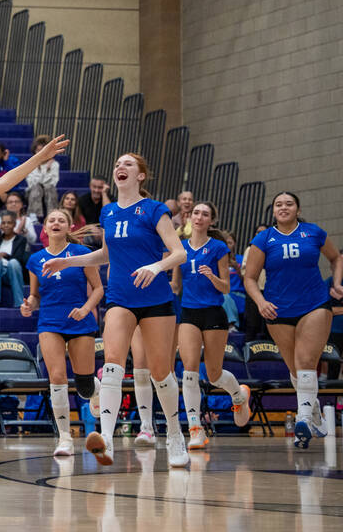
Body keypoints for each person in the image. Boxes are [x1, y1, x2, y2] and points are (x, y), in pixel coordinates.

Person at [42, 153, 189, 469]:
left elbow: (179, 253)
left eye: (128, 165)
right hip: (121, 297)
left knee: (161, 371)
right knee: (111, 364)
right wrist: (67, 261)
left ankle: (175, 434)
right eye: (117, 164)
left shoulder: (154, 210)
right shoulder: (107, 212)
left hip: (156, 300)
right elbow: (105, 255)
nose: (120, 168)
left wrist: (156, 265)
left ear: (141, 176)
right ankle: (105, 438)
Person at [244, 191, 343, 448]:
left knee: (307, 361)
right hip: (278, 310)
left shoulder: (313, 232)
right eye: (279, 204)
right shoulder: (263, 239)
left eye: (289, 204)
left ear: (297, 210)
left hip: (314, 304)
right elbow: (250, 278)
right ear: (274, 211)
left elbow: (335, 258)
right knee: (295, 369)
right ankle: (315, 410)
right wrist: (261, 302)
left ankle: (303, 419)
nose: (284, 207)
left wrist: (338, 283)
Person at [20, 208, 104, 457]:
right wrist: (28, 305)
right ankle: (65, 437)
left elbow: (98, 289)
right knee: (56, 377)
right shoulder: (35, 259)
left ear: (69, 228)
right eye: (51, 220)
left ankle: (96, 390)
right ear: (44, 229)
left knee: (84, 387)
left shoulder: (82, 253)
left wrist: (86, 308)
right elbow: (35, 296)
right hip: (50, 323)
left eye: (61, 220)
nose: (56, 223)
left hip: (80, 321)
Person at [172, 201, 252, 450]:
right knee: (189, 370)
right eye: (196, 212)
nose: (199, 217)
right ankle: (195, 429)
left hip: (214, 314)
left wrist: (212, 276)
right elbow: (175, 286)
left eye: (205, 214)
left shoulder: (217, 247)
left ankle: (239, 395)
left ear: (211, 221)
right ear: (189, 218)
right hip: (189, 313)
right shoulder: (180, 248)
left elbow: (226, 287)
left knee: (214, 374)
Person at [0, 211, 28, 310]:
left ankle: (19, 302)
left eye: (9, 222)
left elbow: (19, 258)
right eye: (3, 223)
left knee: (14, 263)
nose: (6, 225)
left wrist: (4, 255)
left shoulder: (20, 239)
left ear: (14, 224)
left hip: (12, 273)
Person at [26, 134, 60, 218]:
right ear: (34, 151)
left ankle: (52, 217)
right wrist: (45, 171)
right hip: (32, 192)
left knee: (50, 188)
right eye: (38, 150)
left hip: (49, 191)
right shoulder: (30, 164)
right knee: (36, 188)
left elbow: (53, 183)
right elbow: (31, 183)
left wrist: (45, 169)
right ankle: (33, 217)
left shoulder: (54, 164)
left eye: (43, 151)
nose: (40, 153)